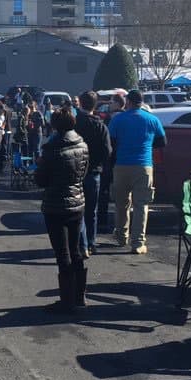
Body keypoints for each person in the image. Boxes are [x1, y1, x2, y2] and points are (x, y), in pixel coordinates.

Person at [34, 106, 89, 313]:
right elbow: (83, 172)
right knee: (76, 250)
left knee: (62, 252)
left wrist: (40, 165)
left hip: (56, 204)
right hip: (77, 201)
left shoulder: (51, 148)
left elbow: (41, 180)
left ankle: (67, 301)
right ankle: (79, 296)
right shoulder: (82, 144)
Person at [107, 89, 166, 254]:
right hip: (144, 166)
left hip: (121, 165)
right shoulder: (152, 120)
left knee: (121, 204)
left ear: (129, 102)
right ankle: (138, 243)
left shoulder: (118, 120)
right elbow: (162, 142)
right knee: (141, 205)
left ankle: (121, 236)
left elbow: (111, 143)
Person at [74, 91, 112, 255]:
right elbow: (107, 150)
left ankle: (81, 243)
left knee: (77, 210)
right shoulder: (100, 126)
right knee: (92, 210)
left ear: (80, 103)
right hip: (94, 171)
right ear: (95, 105)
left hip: (75, 171)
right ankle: (91, 242)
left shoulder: (75, 124)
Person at [96, 92, 125, 236]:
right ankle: (121, 225)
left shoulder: (111, 118)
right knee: (123, 195)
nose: (110, 104)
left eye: (112, 101)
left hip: (110, 159)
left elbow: (107, 138)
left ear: (118, 103)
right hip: (123, 159)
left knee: (104, 191)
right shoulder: (126, 117)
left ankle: (102, 221)